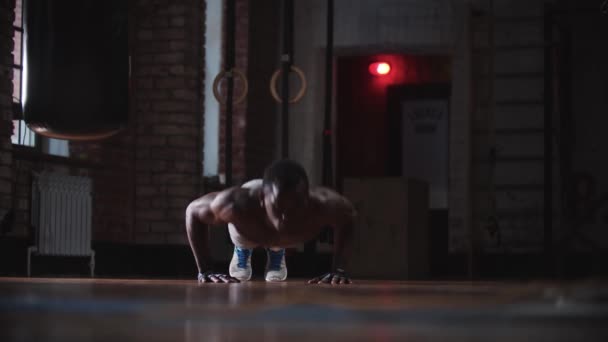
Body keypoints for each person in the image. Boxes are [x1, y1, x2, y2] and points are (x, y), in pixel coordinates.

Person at [185, 159, 355, 285]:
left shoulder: (324, 205)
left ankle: (276, 252)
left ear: (307, 199)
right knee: (244, 236)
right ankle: (242, 249)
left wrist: (338, 269)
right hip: (251, 215)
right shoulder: (234, 204)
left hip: (269, 212)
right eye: (279, 207)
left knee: (277, 237)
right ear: (262, 198)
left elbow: (349, 217)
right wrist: (205, 270)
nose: (286, 216)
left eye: (296, 206)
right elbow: (193, 211)